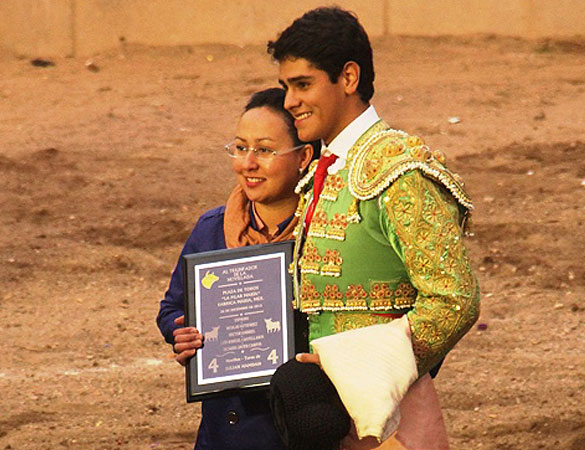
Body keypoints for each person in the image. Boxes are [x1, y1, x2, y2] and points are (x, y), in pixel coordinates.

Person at [267, 7, 480, 450]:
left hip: (393, 413)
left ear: (348, 78)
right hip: (328, 412)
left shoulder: (399, 170)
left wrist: (369, 367)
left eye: (303, 84)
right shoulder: (325, 170)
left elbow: (454, 298)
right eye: (287, 86)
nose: (289, 101)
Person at [156, 87, 318, 450]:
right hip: (225, 431)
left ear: (304, 156)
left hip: (301, 431)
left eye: (264, 150)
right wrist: (179, 334)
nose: (247, 163)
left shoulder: (328, 234)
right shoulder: (212, 229)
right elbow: (172, 309)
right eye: (240, 147)